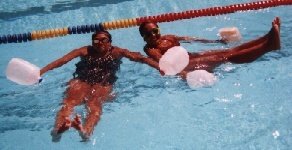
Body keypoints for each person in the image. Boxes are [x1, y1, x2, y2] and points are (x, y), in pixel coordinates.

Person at [40, 30, 161, 142]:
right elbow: (62, 60)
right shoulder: (84, 51)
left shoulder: (117, 52)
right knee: (69, 102)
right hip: (82, 80)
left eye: (104, 40)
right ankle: (57, 130)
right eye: (96, 40)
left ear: (110, 42)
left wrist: (160, 67)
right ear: (92, 42)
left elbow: (141, 58)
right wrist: (41, 71)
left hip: (103, 83)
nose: (100, 43)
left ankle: (86, 131)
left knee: (95, 103)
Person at [138, 17, 281, 77]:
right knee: (226, 57)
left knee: (229, 51)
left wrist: (215, 42)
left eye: (155, 31)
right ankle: (268, 46)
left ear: (159, 29)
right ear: (144, 38)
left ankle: (267, 37)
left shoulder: (168, 37)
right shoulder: (150, 49)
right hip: (185, 67)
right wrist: (184, 75)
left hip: (192, 57)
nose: (153, 36)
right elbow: (163, 62)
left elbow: (190, 39)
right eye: (148, 35)